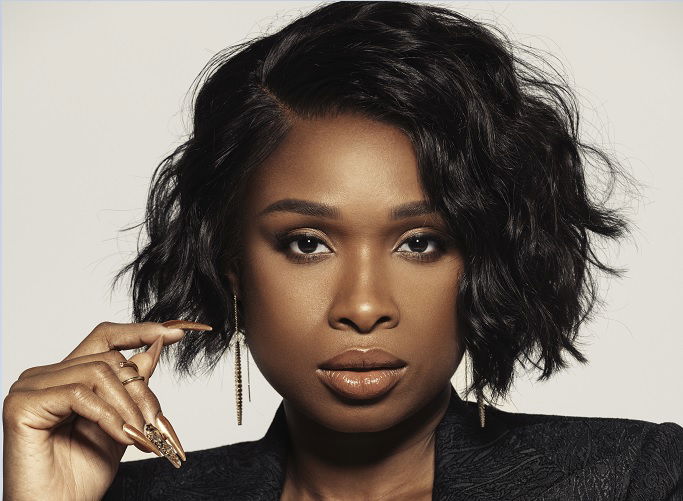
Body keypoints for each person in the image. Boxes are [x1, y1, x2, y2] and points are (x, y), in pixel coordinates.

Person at [4, 1, 682, 500]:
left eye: (420, 242)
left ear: (484, 260)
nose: (362, 306)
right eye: (307, 243)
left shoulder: (635, 480)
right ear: (232, 263)